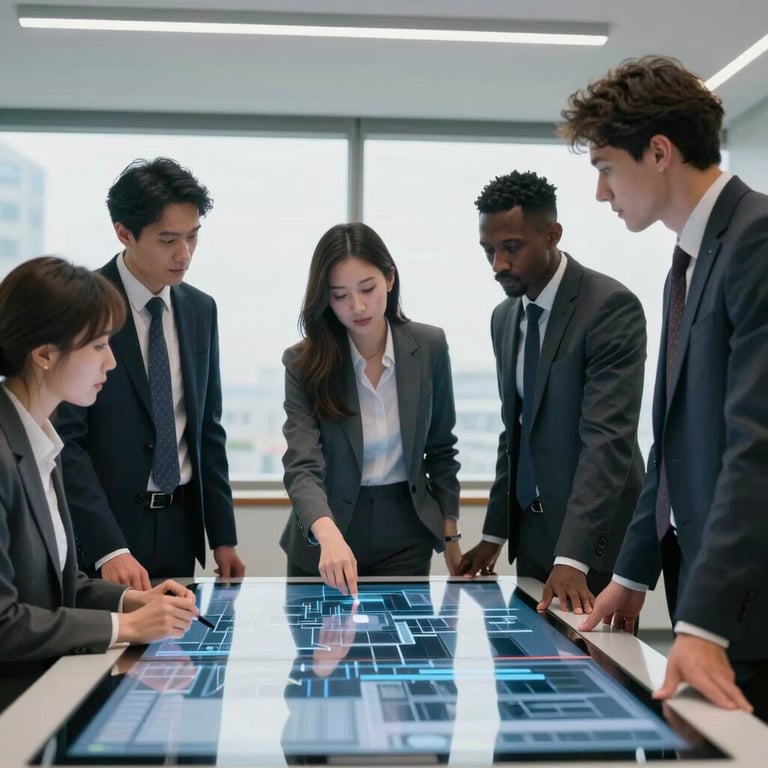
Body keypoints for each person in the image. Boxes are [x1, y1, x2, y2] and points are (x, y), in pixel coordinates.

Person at [560, 55, 768, 720]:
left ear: (657, 152)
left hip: (746, 601)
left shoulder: (757, 239)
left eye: (603, 168)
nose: (600, 193)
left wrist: (704, 625)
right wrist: (629, 576)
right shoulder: (689, 258)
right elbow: (673, 442)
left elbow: (756, 446)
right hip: (704, 590)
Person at [0, 256, 200, 713]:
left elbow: (58, 591)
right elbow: (5, 622)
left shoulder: (40, 444)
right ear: (45, 354)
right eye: (98, 345)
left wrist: (134, 600)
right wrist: (127, 628)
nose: (111, 360)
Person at [458, 171, 646, 616]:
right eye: (489, 251)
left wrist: (573, 557)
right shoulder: (504, 318)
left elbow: (608, 442)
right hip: (533, 535)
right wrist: (494, 535)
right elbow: (516, 431)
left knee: (601, 677)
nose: (497, 264)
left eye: (511, 248)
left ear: (552, 235)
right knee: (523, 676)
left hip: (593, 544)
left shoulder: (609, 308)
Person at [56, 158, 245, 589]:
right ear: (124, 233)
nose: (184, 254)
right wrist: (107, 547)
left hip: (179, 528)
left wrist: (223, 537)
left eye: (193, 237)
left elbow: (206, 430)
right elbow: (66, 440)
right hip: (106, 536)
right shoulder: (83, 306)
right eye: (167, 240)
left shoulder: (200, 309)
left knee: (178, 655)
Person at [280, 222, 461, 596]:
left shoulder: (429, 346)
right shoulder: (304, 362)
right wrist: (326, 533)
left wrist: (451, 536)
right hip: (326, 531)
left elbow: (442, 448)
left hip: (406, 530)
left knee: (408, 650)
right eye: (340, 296)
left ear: (390, 279)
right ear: (325, 300)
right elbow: (302, 466)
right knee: (324, 649)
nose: (357, 307)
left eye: (367, 289)